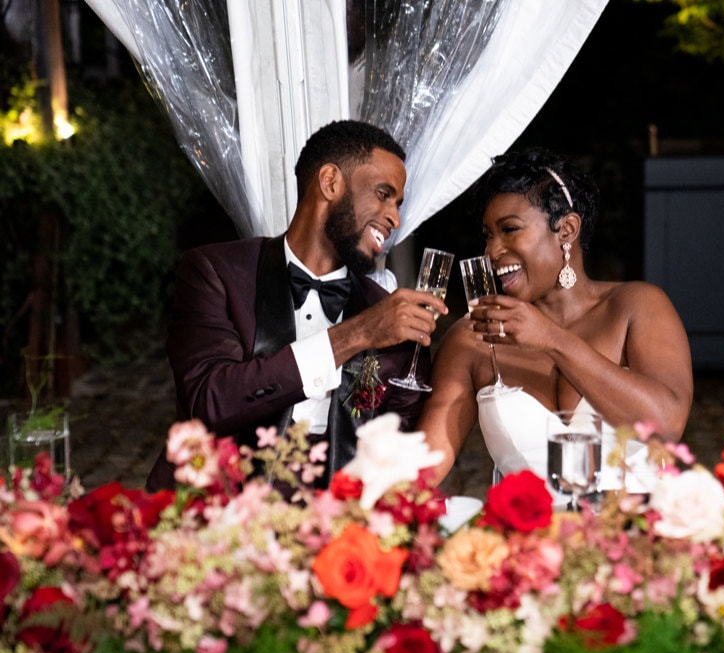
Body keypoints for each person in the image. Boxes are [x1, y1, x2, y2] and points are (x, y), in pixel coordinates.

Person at [147, 120, 447, 491]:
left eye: (398, 203)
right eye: (384, 194)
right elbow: (208, 403)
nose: (395, 218)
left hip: (335, 517)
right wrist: (357, 334)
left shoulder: (384, 310)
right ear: (331, 182)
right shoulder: (217, 272)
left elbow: (398, 443)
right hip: (222, 507)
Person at [417, 149, 693, 491]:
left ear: (566, 230)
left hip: (636, 535)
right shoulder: (473, 337)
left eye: (510, 230)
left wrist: (553, 340)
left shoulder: (636, 306)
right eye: (488, 235)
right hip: (528, 539)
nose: (491, 251)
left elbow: (666, 425)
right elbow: (422, 468)